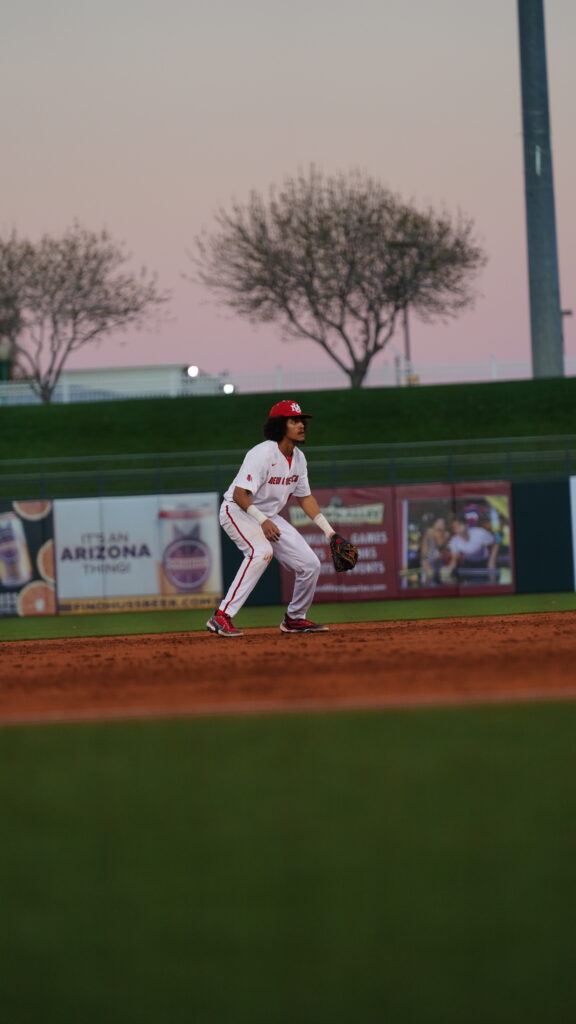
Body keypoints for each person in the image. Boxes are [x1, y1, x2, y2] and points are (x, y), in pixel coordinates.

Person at [206, 399, 338, 637]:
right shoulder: (263, 453)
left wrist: (330, 532)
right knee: (260, 552)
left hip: (269, 516)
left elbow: (305, 498)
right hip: (237, 510)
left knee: (310, 565)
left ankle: (295, 619)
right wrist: (262, 520)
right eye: (294, 421)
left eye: (302, 421)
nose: (301, 425)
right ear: (280, 425)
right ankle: (221, 616)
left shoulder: (299, 459)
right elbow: (239, 494)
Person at [445, 515, 500, 580]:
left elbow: (496, 544)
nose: (457, 529)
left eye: (459, 525)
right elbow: (454, 560)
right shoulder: (454, 541)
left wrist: (492, 560)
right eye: (454, 527)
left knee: (491, 576)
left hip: (484, 562)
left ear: (466, 525)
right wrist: (447, 571)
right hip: (469, 563)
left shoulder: (480, 533)